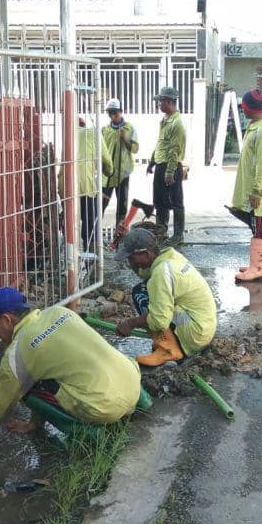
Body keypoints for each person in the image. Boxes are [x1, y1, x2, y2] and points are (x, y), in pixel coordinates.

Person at [0, 287, 141, 456]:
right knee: (44, 375)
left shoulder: (18, 352)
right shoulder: (58, 312)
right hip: (133, 383)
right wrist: (33, 423)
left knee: (26, 387)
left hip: (104, 408)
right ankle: (141, 403)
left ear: (7, 319)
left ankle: (90, 436)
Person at [113, 226, 216, 366]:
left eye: (131, 258)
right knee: (141, 290)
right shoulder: (169, 257)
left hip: (196, 333)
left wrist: (130, 324)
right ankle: (171, 341)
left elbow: (159, 320)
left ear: (146, 254)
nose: (130, 262)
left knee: (142, 297)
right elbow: (145, 274)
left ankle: (168, 349)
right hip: (204, 326)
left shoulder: (161, 273)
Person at [226, 88, 262, 282]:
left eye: (243, 107)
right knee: (259, 228)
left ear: (249, 108)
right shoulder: (256, 126)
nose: (242, 110)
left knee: (260, 229)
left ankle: (257, 268)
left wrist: (257, 190)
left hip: (260, 192)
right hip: (255, 189)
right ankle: (261, 264)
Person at [147, 86, 187, 246]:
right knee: (160, 201)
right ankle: (161, 231)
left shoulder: (176, 123)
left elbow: (174, 150)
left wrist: (170, 172)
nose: (159, 104)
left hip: (171, 167)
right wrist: (151, 162)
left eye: (161, 101)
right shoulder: (165, 121)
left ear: (170, 102)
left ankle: (178, 235)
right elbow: (160, 145)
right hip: (161, 166)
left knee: (176, 202)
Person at [75, 111, 113, 254]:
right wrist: (109, 172)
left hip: (66, 187)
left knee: (70, 222)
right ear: (84, 124)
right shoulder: (93, 133)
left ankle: (70, 258)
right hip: (86, 186)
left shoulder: (68, 135)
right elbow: (107, 162)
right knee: (90, 222)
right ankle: (92, 258)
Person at [101, 98, 138, 230]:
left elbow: (134, 149)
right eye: (111, 113)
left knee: (122, 204)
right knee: (102, 203)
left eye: (116, 112)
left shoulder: (129, 128)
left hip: (123, 173)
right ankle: (96, 232)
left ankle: (119, 232)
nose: (114, 115)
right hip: (108, 173)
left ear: (121, 112)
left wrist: (124, 139)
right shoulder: (104, 130)